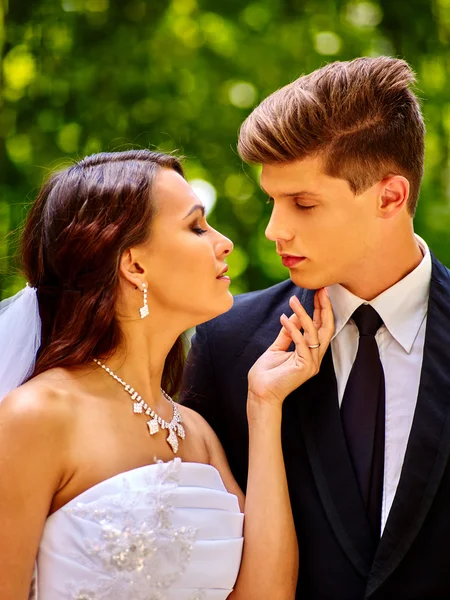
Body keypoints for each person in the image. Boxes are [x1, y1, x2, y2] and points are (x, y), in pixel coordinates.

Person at [0, 149, 334, 600]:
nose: (223, 242)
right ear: (134, 265)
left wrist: (264, 405)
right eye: (196, 226)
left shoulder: (196, 434)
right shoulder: (36, 417)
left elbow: (268, 593)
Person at [181, 56, 450, 600]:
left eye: (303, 203)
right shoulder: (226, 343)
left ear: (390, 196)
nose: (274, 229)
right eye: (273, 201)